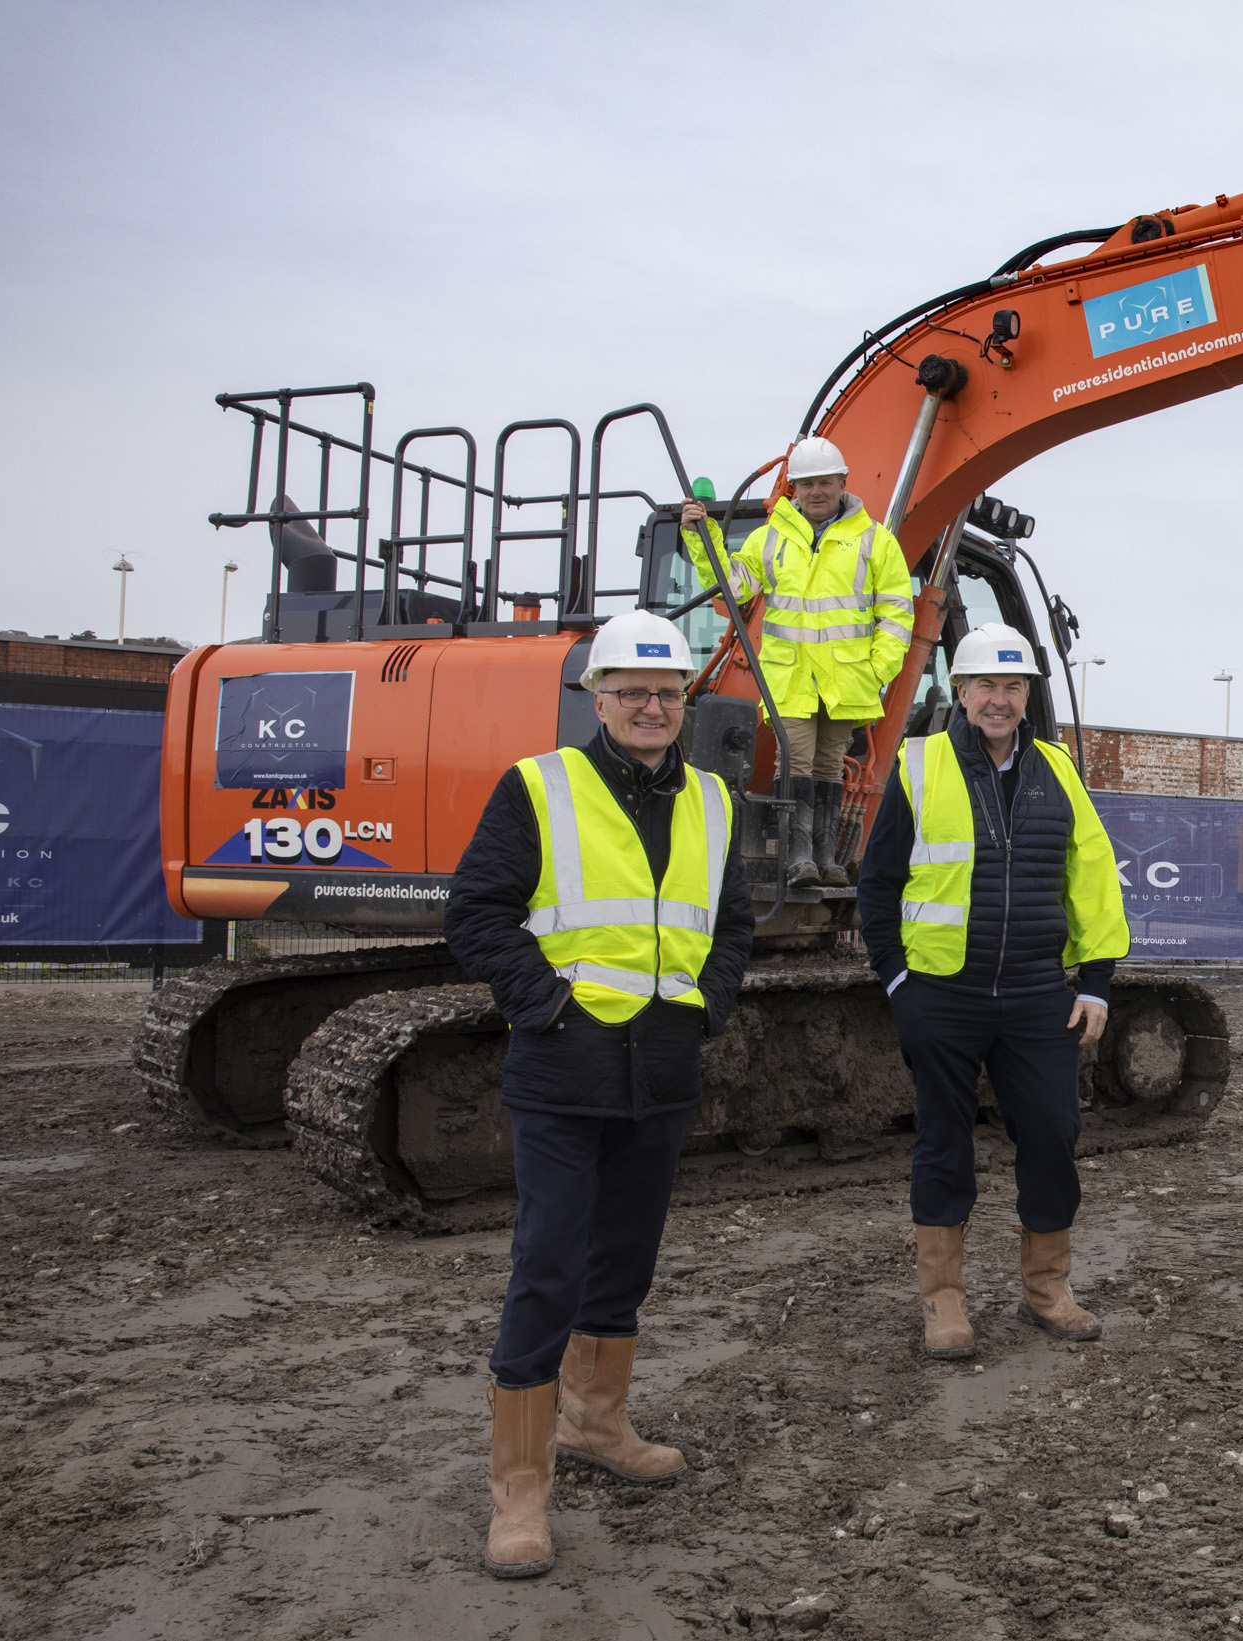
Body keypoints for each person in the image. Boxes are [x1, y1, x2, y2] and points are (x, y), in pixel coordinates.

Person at [442, 608, 753, 1580]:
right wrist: (546, 1002)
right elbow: (477, 914)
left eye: (666, 693)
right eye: (631, 692)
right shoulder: (537, 788)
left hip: (660, 1072)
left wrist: (707, 1010)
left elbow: (732, 923)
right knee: (548, 1261)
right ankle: (519, 1488)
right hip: (565, 1069)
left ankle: (596, 1424)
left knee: (625, 1259)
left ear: (684, 703)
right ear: (599, 700)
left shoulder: (712, 798)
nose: (651, 707)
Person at [856, 621, 1131, 1359]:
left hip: (1039, 992)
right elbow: (878, 885)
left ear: (1026, 694)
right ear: (962, 692)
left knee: (1051, 1134)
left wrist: (1096, 982)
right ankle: (944, 1301)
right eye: (986, 686)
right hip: (943, 990)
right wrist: (899, 981)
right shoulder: (920, 766)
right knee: (943, 1143)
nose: (999, 700)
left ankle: (1047, 1289)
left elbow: (1092, 878)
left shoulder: (1057, 770)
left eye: (1013, 687)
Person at [679, 435, 913, 886]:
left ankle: (824, 859)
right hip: (790, 681)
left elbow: (897, 613)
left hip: (847, 681)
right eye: (807, 485)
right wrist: (702, 535)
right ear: (795, 489)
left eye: (825, 482)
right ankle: (797, 857)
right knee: (796, 761)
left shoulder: (874, 541)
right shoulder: (771, 539)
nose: (816, 492)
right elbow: (734, 585)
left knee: (828, 766)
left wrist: (876, 670)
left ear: (843, 482)